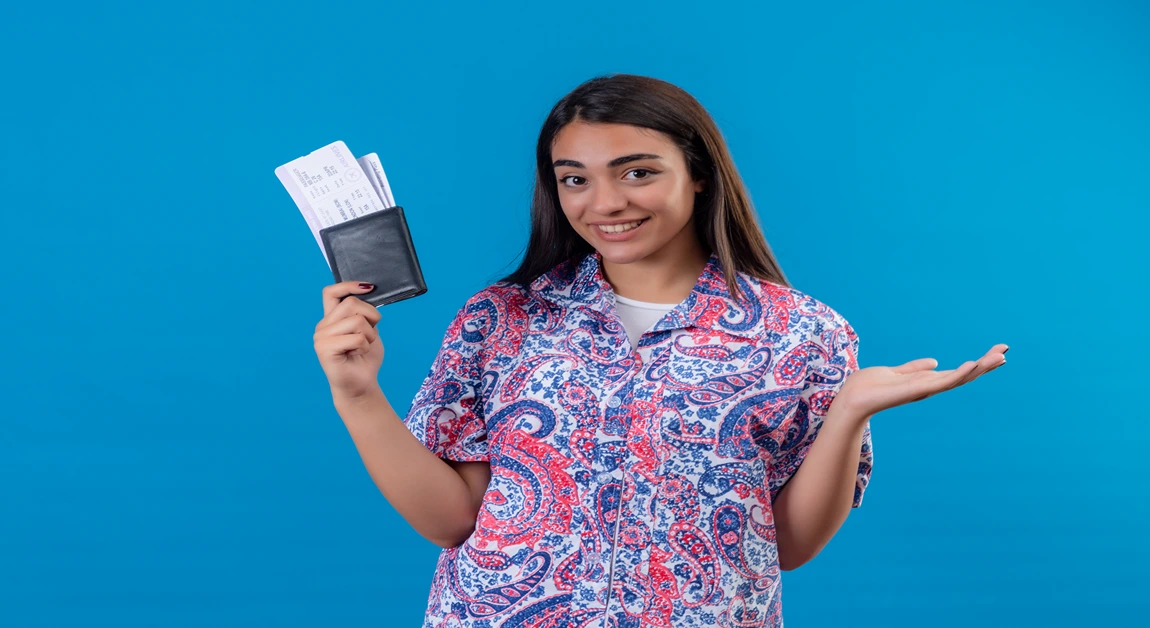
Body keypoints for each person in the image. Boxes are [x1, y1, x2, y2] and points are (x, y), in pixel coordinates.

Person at [312, 73, 1007, 627]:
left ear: (698, 172)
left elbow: (786, 546)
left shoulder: (804, 334)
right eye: (575, 178)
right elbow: (452, 518)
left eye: (637, 172)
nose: (604, 202)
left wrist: (851, 411)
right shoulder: (502, 318)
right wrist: (358, 393)